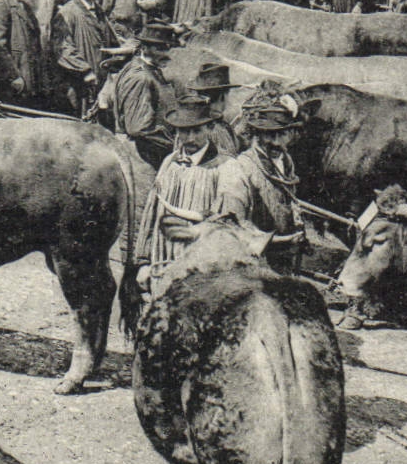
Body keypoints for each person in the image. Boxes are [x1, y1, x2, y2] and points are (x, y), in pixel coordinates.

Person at [121, 92, 233, 327]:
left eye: (197, 131)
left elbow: (226, 224)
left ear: (210, 128)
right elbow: (152, 214)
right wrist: (142, 263)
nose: (189, 138)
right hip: (163, 266)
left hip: (202, 271)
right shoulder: (169, 163)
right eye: (184, 131)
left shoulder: (224, 168)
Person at [215, 83, 307, 272]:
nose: (275, 142)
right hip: (253, 261)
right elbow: (235, 223)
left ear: (291, 133)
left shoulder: (286, 161)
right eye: (269, 135)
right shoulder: (240, 168)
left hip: (284, 256)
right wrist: (276, 240)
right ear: (256, 134)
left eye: (282, 134)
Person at [52, 0, 121, 116]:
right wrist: (85, 70)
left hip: (100, 81)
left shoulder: (98, 11)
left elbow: (111, 40)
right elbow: (63, 49)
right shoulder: (67, 13)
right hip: (80, 83)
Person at [113, 22, 178, 168]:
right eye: (159, 48)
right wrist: (174, 144)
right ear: (144, 48)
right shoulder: (140, 78)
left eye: (168, 47)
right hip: (143, 157)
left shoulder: (151, 70)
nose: (166, 54)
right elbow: (138, 128)